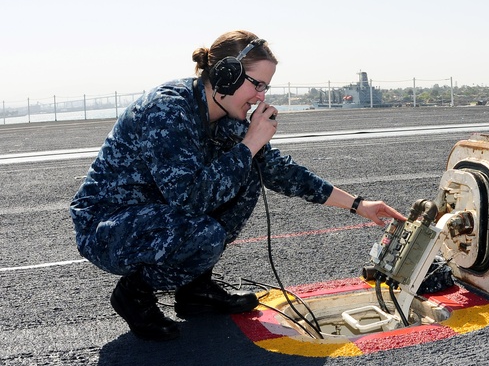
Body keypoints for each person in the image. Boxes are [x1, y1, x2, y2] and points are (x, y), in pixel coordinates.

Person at [70, 30, 406, 342]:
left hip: (157, 217)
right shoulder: (168, 110)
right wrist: (249, 144)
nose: (260, 98)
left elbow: (278, 172)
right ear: (226, 75)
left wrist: (358, 204)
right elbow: (190, 199)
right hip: (108, 226)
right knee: (206, 226)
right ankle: (134, 294)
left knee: (246, 174)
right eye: (256, 85)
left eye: (265, 89)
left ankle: (195, 290)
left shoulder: (229, 119)